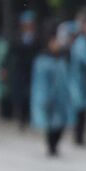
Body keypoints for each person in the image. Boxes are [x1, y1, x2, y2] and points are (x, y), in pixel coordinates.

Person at [30, 25, 72, 157]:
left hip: (61, 98)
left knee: (61, 124)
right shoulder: (42, 60)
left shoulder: (62, 59)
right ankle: (51, 146)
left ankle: (55, 145)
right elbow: (40, 82)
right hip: (49, 97)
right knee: (51, 124)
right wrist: (44, 97)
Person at [6, 11, 39, 129]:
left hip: (32, 70)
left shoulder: (36, 37)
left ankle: (29, 116)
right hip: (20, 70)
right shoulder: (17, 37)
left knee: (30, 94)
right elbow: (11, 54)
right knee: (20, 95)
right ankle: (21, 117)